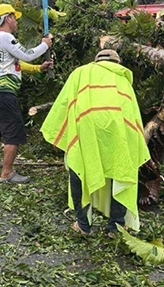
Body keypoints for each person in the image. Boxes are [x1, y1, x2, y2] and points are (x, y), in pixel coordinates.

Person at [41, 49, 151, 237]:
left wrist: (61, 135)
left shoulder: (80, 72)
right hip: (118, 127)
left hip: (86, 125)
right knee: (121, 170)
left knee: (79, 168)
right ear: (117, 63)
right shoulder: (123, 79)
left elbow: (63, 104)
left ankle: (84, 225)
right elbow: (133, 114)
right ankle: (115, 227)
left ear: (96, 61)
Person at [0, 4, 53, 184]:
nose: (16, 22)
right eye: (14, 18)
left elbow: (18, 62)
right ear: (7, 18)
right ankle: (7, 173)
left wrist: (39, 68)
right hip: (4, 93)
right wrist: (45, 45)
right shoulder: (6, 37)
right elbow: (28, 55)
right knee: (13, 131)